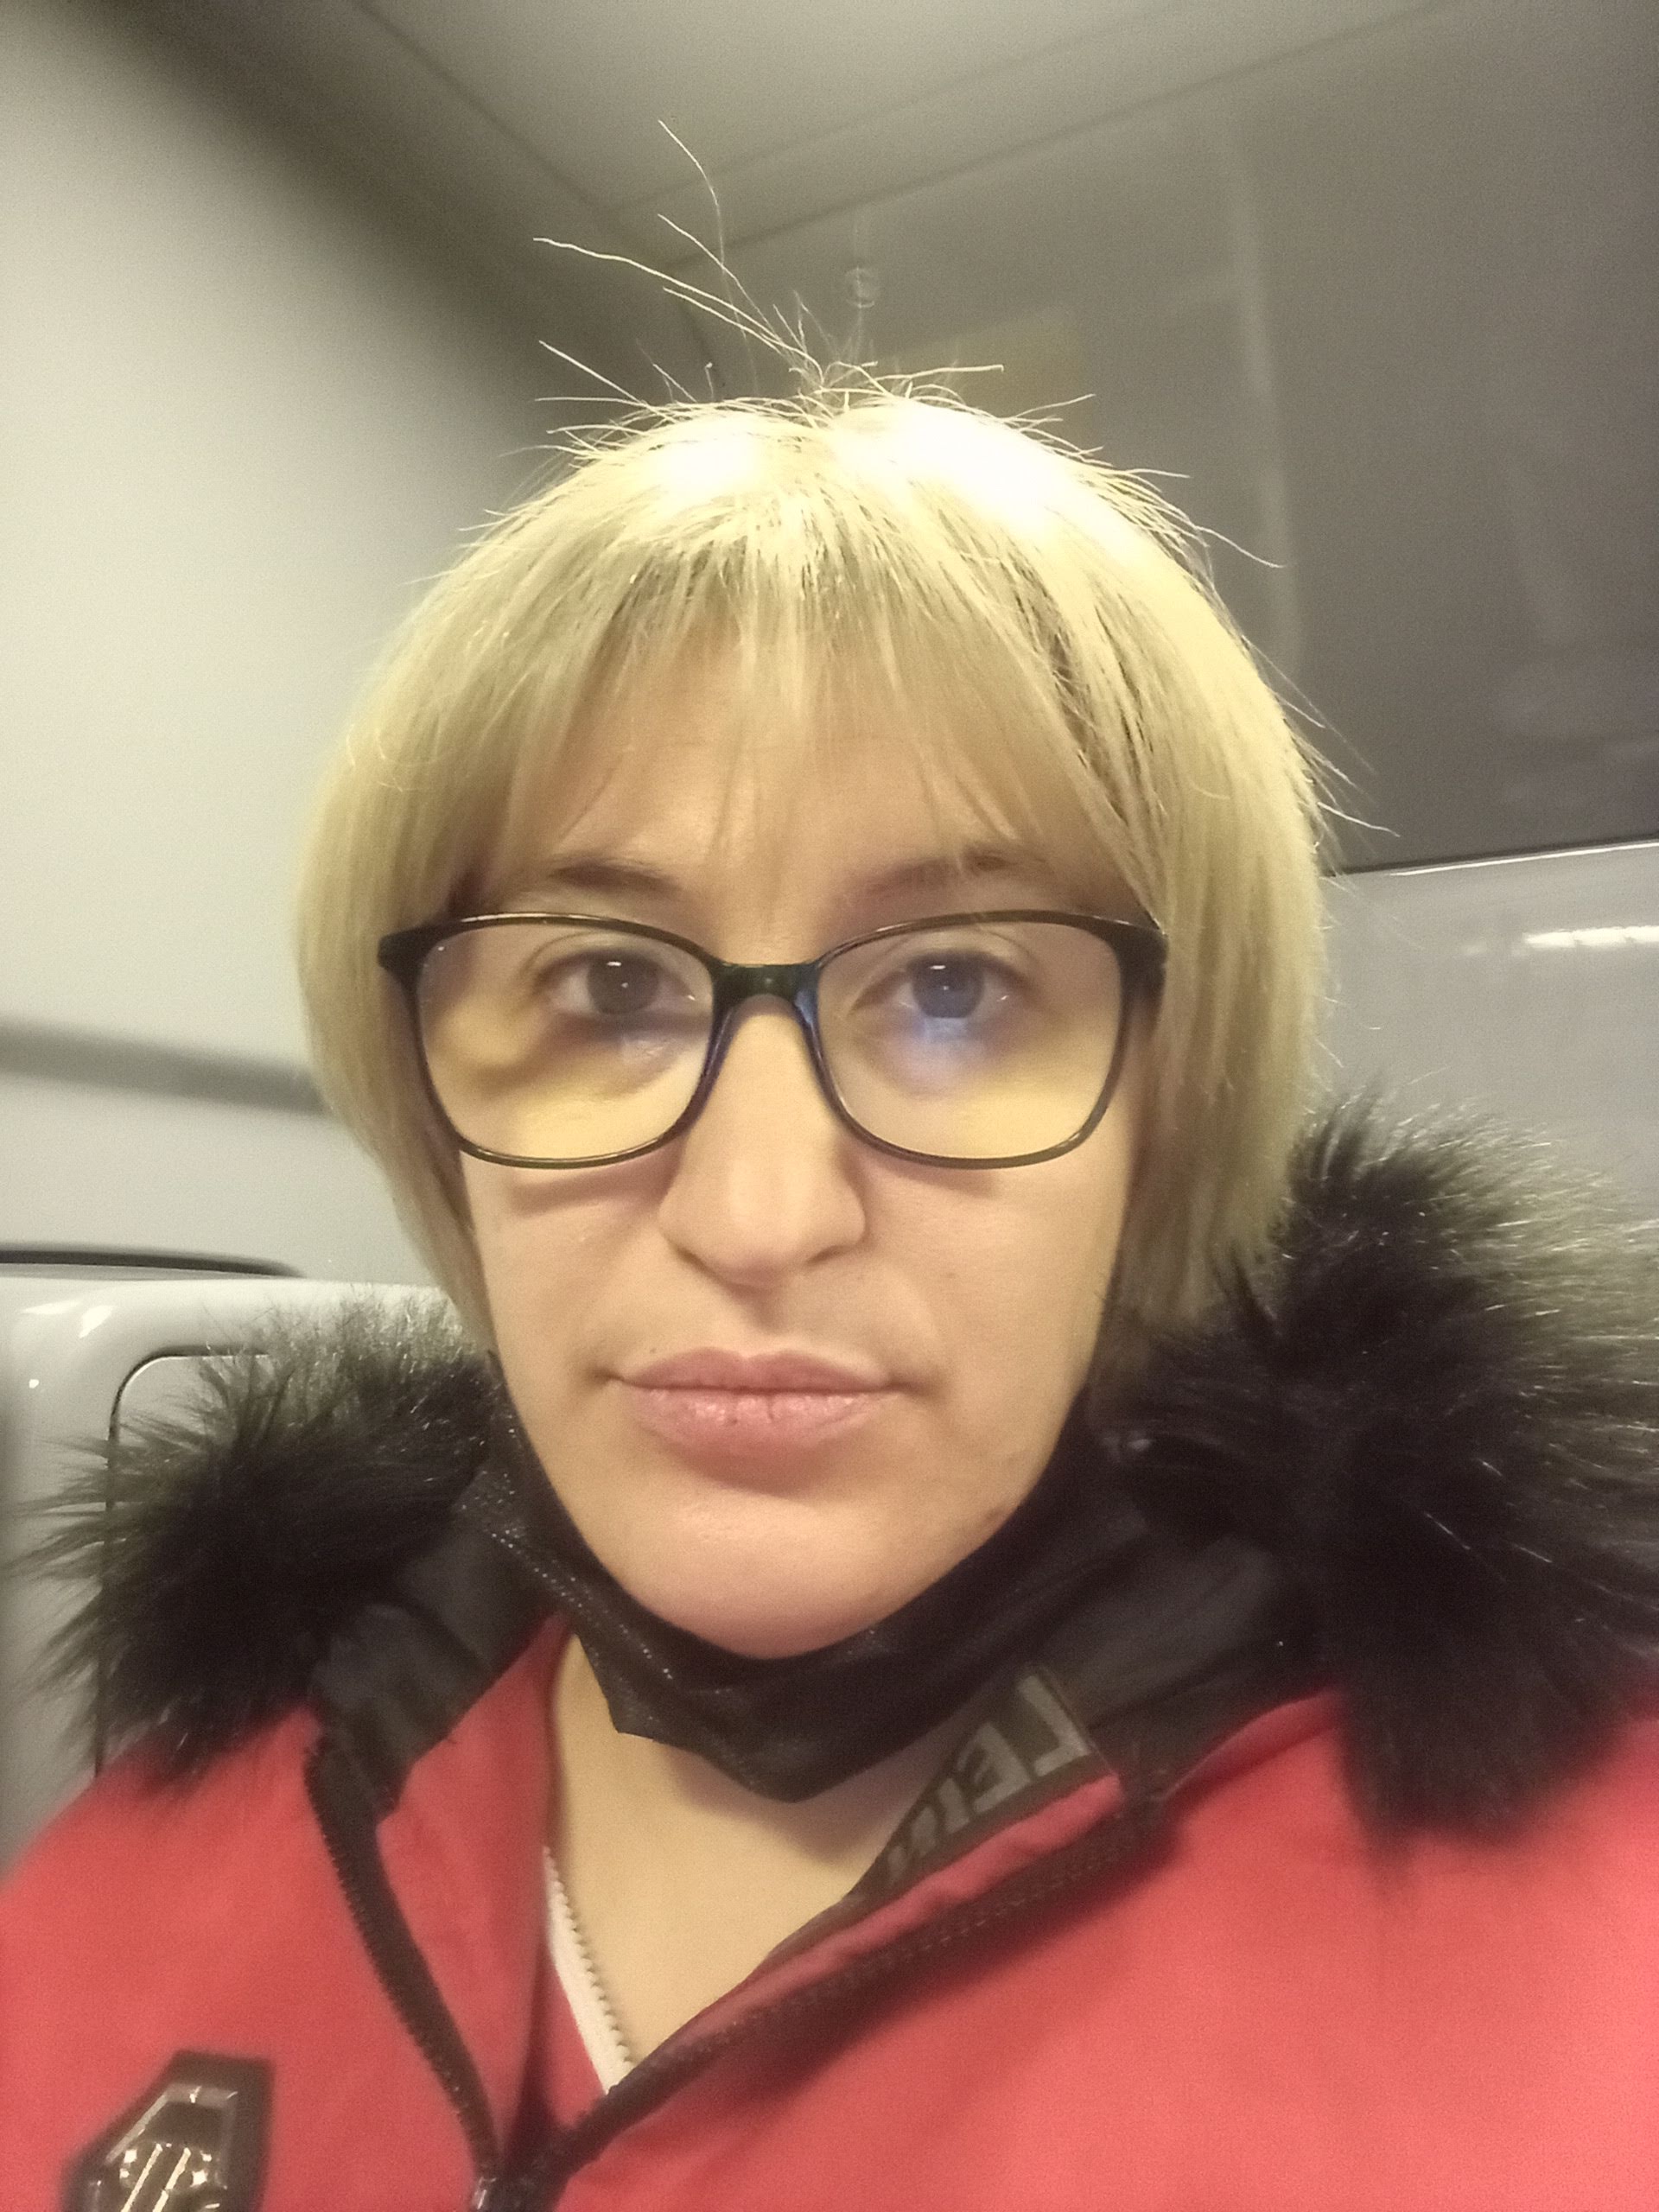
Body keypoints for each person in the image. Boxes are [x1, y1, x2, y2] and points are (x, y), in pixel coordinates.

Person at [4, 381, 1659, 2212]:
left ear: (1166, 1110)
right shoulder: (129, 1890)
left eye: (954, 987)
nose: (760, 1213)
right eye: (609, 987)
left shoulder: (1602, 1979)